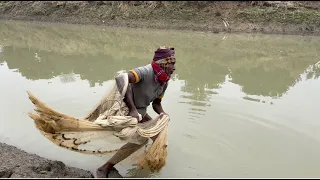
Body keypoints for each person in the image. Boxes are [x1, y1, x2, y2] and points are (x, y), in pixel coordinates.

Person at [96, 46, 176, 178]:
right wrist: (132, 109)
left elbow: (156, 104)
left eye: (175, 63)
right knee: (141, 139)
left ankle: (143, 161)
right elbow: (121, 78)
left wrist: (163, 114)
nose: (174, 67)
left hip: (140, 112)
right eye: (172, 63)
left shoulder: (163, 81)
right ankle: (104, 168)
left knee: (157, 136)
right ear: (162, 63)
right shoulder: (145, 72)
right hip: (126, 108)